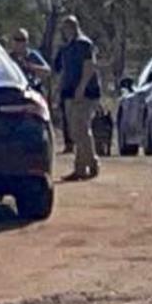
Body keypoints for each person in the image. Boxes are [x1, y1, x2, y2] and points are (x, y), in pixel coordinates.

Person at [56, 15, 101, 181]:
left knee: (81, 128)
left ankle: (90, 164)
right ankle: (82, 167)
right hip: (69, 93)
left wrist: (81, 87)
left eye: (70, 27)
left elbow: (89, 66)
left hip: (86, 93)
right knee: (75, 132)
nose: (67, 31)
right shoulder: (66, 47)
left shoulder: (84, 44)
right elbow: (62, 72)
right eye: (65, 28)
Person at [7, 28, 51, 92]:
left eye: (23, 40)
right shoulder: (8, 57)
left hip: (31, 89)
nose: (19, 43)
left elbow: (47, 71)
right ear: (12, 41)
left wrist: (31, 67)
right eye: (17, 39)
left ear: (27, 42)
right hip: (14, 89)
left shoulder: (32, 55)